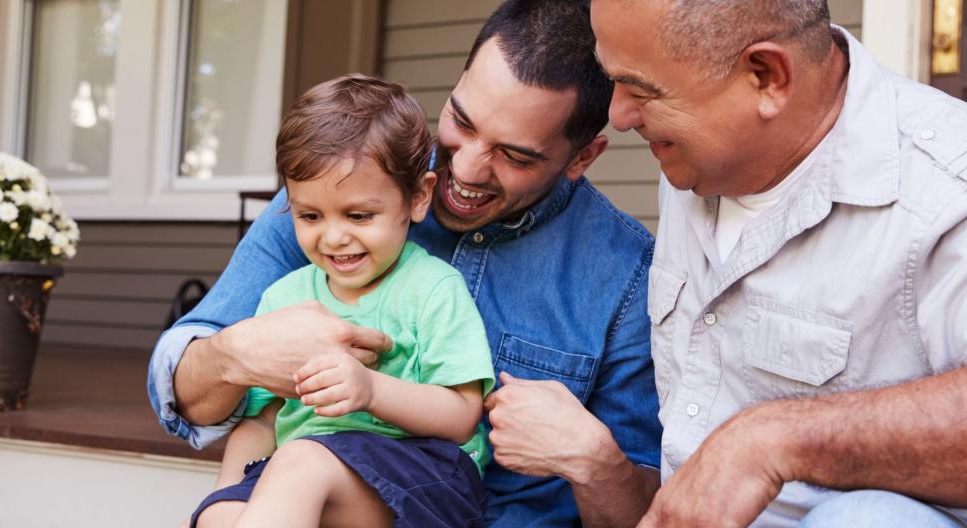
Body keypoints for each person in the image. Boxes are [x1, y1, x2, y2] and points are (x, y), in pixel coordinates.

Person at [589, 0, 967, 526]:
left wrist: (771, 438)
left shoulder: (951, 183)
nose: (618, 115)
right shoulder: (697, 153)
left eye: (640, 89)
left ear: (765, 77)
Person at [148, 1, 663, 526]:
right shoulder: (340, 190)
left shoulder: (623, 273)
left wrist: (596, 463)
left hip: (449, 498)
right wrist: (239, 353)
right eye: (461, 120)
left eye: (515, 155)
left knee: (302, 464)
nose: (463, 167)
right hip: (309, 500)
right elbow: (197, 394)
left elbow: (641, 509)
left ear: (582, 157)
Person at [189, 75, 494, 528]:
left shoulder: (431, 289)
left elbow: (462, 416)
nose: (333, 237)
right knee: (220, 516)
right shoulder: (285, 299)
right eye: (309, 215)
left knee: (301, 463)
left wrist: (371, 390)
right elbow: (261, 420)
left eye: (358, 215)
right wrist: (223, 494)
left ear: (418, 197)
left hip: (424, 475)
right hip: (303, 475)